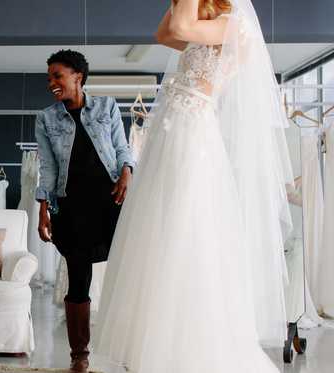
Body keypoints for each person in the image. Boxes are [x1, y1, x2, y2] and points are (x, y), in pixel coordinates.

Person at [94, 0, 293, 372]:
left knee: (182, 227)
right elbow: (165, 33)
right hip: (175, 127)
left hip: (190, 129)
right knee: (159, 229)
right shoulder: (213, 27)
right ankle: (153, 342)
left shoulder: (235, 27)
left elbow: (181, 29)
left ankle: (185, 349)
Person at [35, 49, 135, 373]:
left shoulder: (106, 107)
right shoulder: (46, 119)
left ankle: (133, 345)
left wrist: (127, 171)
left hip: (110, 202)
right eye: (49, 76)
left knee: (129, 270)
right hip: (72, 207)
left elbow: (122, 149)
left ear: (78, 76)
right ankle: (80, 355)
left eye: (57, 75)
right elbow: (48, 169)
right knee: (79, 279)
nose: (51, 82)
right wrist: (43, 210)